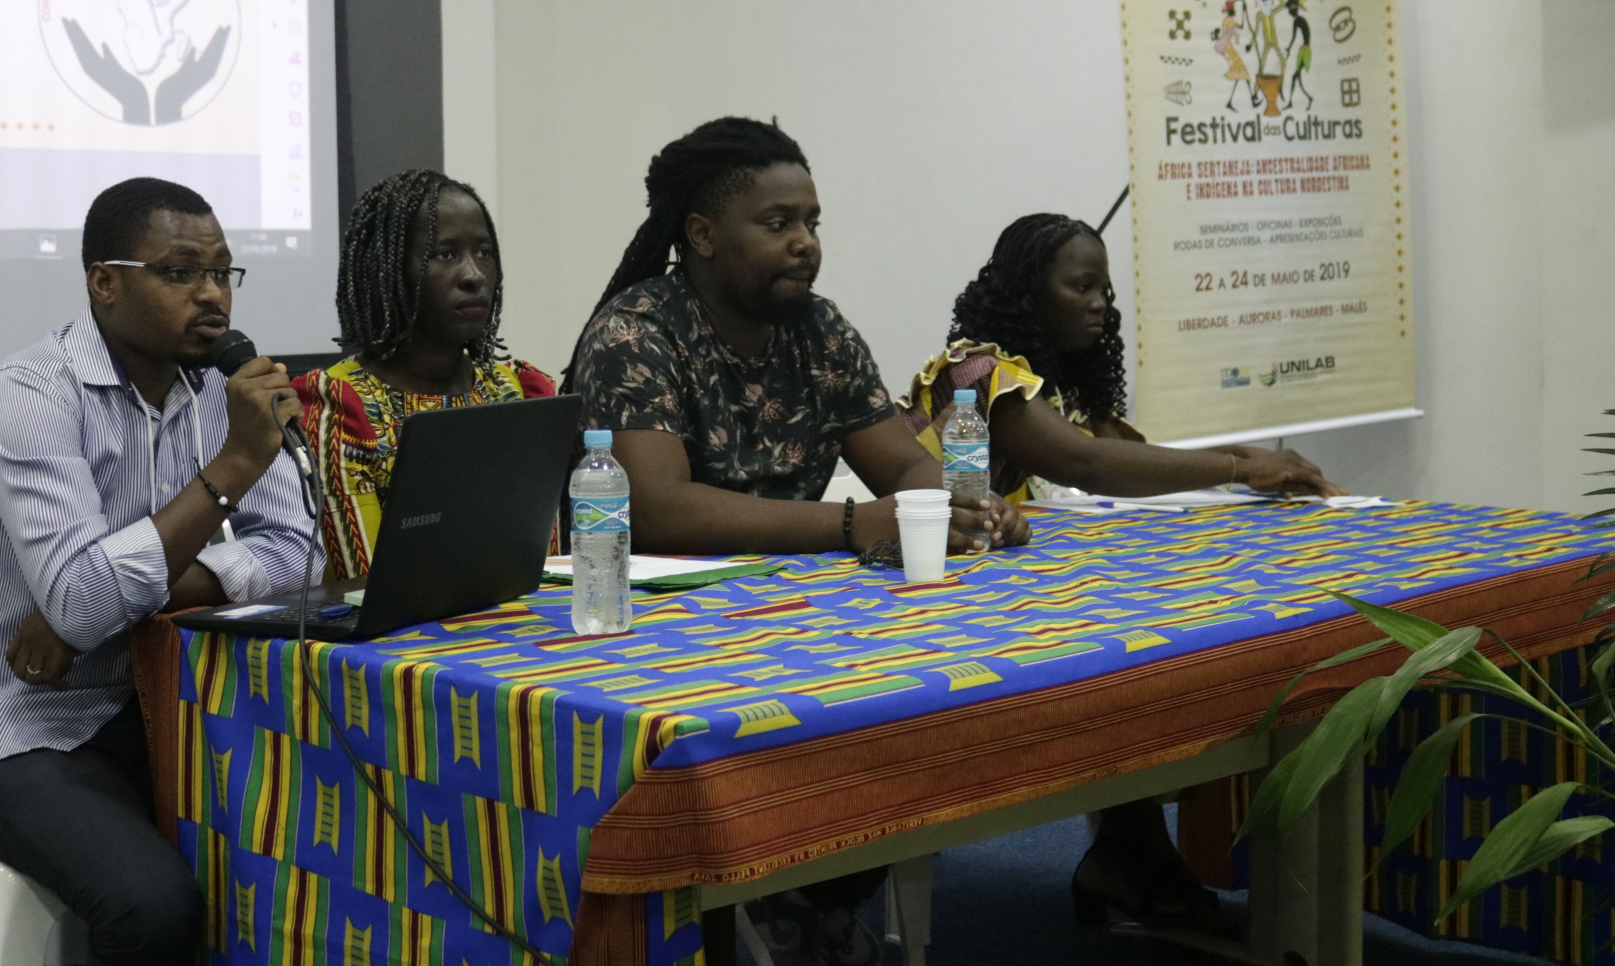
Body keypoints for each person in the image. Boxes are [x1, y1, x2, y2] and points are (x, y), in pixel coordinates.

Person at [566, 117, 1027, 965]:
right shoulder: (635, 333)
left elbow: (902, 463)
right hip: (660, 640)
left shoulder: (819, 329)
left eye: (812, 222)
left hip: (793, 616)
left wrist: (966, 505)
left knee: (916, 702)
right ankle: (775, 897)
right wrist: (855, 525)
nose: (805, 243)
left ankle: (814, 898)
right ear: (702, 234)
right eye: (778, 224)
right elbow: (659, 509)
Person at [900, 211, 1342, 933]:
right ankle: (1130, 848)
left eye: (1104, 289)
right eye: (1081, 286)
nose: (1100, 304)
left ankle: (1130, 847)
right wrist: (1242, 466)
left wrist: (1252, 460)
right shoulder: (973, 370)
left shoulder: (1063, 380)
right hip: (941, 599)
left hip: (1020, 588)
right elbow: (1088, 465)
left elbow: (1132, 458)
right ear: (1026, 291)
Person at [0, 177, 315, 965]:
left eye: (223, 272)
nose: (212, 295)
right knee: (152, 908)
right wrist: (232, 469)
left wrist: (126, 601)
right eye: (180, 272)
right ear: (104, 282)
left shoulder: (222, 387)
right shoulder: (30, 395)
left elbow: (299, 556)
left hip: (177, 708)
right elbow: (78, 602)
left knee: (306, 850)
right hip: (25, 730)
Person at [291, 169, 557, 578]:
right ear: (390, 270)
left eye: (485, 252)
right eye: (446, 255)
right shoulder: (341, 407)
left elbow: (544, 566)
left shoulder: (518, 390)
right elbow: (363, 587)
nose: (474, 275)